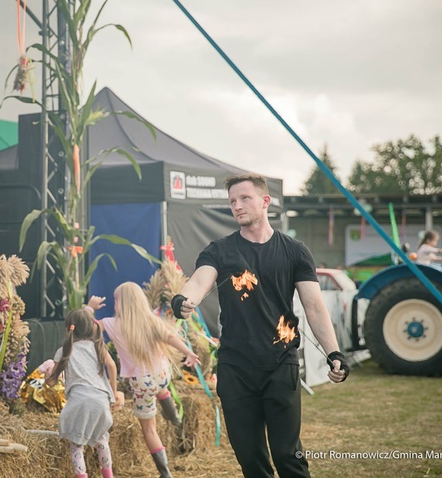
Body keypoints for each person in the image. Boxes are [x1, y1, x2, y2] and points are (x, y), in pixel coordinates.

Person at [171, 173, 348, 478]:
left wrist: (335, 353)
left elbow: (314, 306)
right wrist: (183, 300)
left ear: (265, 202)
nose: (236, 206)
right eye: (232, 201)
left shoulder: (295, 251)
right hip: (236, 368)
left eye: (244, 199)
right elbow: (199, 281)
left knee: (287, 455)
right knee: (251, 460)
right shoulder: (220, 250)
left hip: (281, 364)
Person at [97, 282, 200, 478]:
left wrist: (89, 309)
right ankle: (174, 417)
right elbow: (170, 337)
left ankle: (165, 473)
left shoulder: (112, 324)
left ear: (123, 303)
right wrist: (189, 352)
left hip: (142, 383)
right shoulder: (150, 320)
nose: (114, 304)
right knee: (159, 388)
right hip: (162, 375)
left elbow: (88, 326)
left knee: (149, 430)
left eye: (116, 300)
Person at [45, 307, 124, 478]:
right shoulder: (98, 347)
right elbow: (111, 366)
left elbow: (51, 382)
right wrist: (114, 391)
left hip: (79, 401)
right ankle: (108, 475)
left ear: (68, 329)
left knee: (76, 445)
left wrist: (48, 372)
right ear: (92, 327)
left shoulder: (64, 351)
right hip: (101, 400)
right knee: (102, 439)